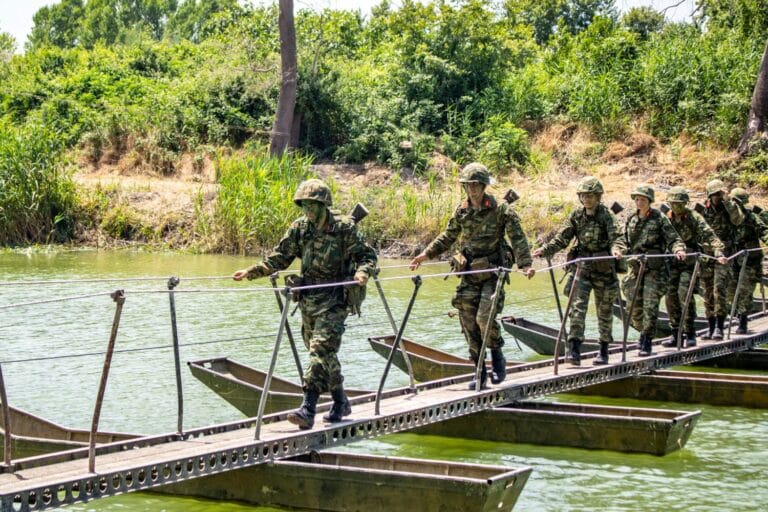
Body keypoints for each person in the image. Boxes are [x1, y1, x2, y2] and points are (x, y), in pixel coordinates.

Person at [233, 179, 377, 430]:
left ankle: (308, 408)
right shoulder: (300, 228)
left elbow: (368, 256)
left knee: (319, 350)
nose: (308, 211)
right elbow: (281, 256)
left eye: (313, 206)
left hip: (335, 299)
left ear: (324, 205)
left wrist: (362, 273)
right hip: (309, 298)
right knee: (323, 355)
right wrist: (251, 271)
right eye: (305, 206)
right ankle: (341, 402)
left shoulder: (344, 228)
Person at [409, 162, 534, 390]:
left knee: (484, 318)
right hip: (468, 275)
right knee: (468, 322)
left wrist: (525, 265)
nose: (472, 189)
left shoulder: (501, 210)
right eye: (468, 185)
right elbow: (447, 236)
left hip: (492, 273)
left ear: (484, 186)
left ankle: (497, 354)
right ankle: (479, 372)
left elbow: (518, 238)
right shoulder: (462, 210)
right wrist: (424, 255)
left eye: (476, 185)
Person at [532, 176, 621, 366]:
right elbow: (562, 238)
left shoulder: (606, 216)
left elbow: (617, 237)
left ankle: (603, 351)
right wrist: (545, 250)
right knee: (576, 309)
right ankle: (574, 351)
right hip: (582, 268)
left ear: (598, 197)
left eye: (590, 195)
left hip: (603, 268)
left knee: (604, 311)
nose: (586, 199)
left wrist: (616, 250)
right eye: (583, 196)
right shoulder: (576, 215)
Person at [615, 184, 686, 357]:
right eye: (637, 199)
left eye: (643, 200)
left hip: (655, 270)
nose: (639, 202)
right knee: (633, 307)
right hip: (636, 269)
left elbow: (673, 238)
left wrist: (678, 249)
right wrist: (618, 250)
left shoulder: (659, 218)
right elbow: (623, 240)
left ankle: (646, 340)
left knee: (650, 306)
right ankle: (642, 330)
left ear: (649, 201)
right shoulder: (632, 219)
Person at [662, 186, 726, 348]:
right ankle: (676, 332)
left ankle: (690, 332)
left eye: (680, 204)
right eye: (673, 203)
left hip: (690, 264)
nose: (676, 207)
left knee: (685, 293)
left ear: (685, 204)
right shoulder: (665, 219)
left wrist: (718, 252)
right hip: (671, 264)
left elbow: (710, 235)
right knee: (670, 297)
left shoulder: (694, 217)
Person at [699, 179, 744, 340]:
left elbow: (738, 220)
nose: (717, 197)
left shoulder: (729, 207)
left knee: (720, 290)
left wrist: (729, 202)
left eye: (719, 194)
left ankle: (719, 327)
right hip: (707, 255)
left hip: (725, 254)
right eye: (715, 195)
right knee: (707, 291)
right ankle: (710, 327)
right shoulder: (702, 209)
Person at [727, 187, 768, 334]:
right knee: (730, 291)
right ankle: (737, 315)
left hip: (749, 261)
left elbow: (764, 231)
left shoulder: (751, 217)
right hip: (732, 259)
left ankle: (743, 321)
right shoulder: (728, 217)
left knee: (744, 290)